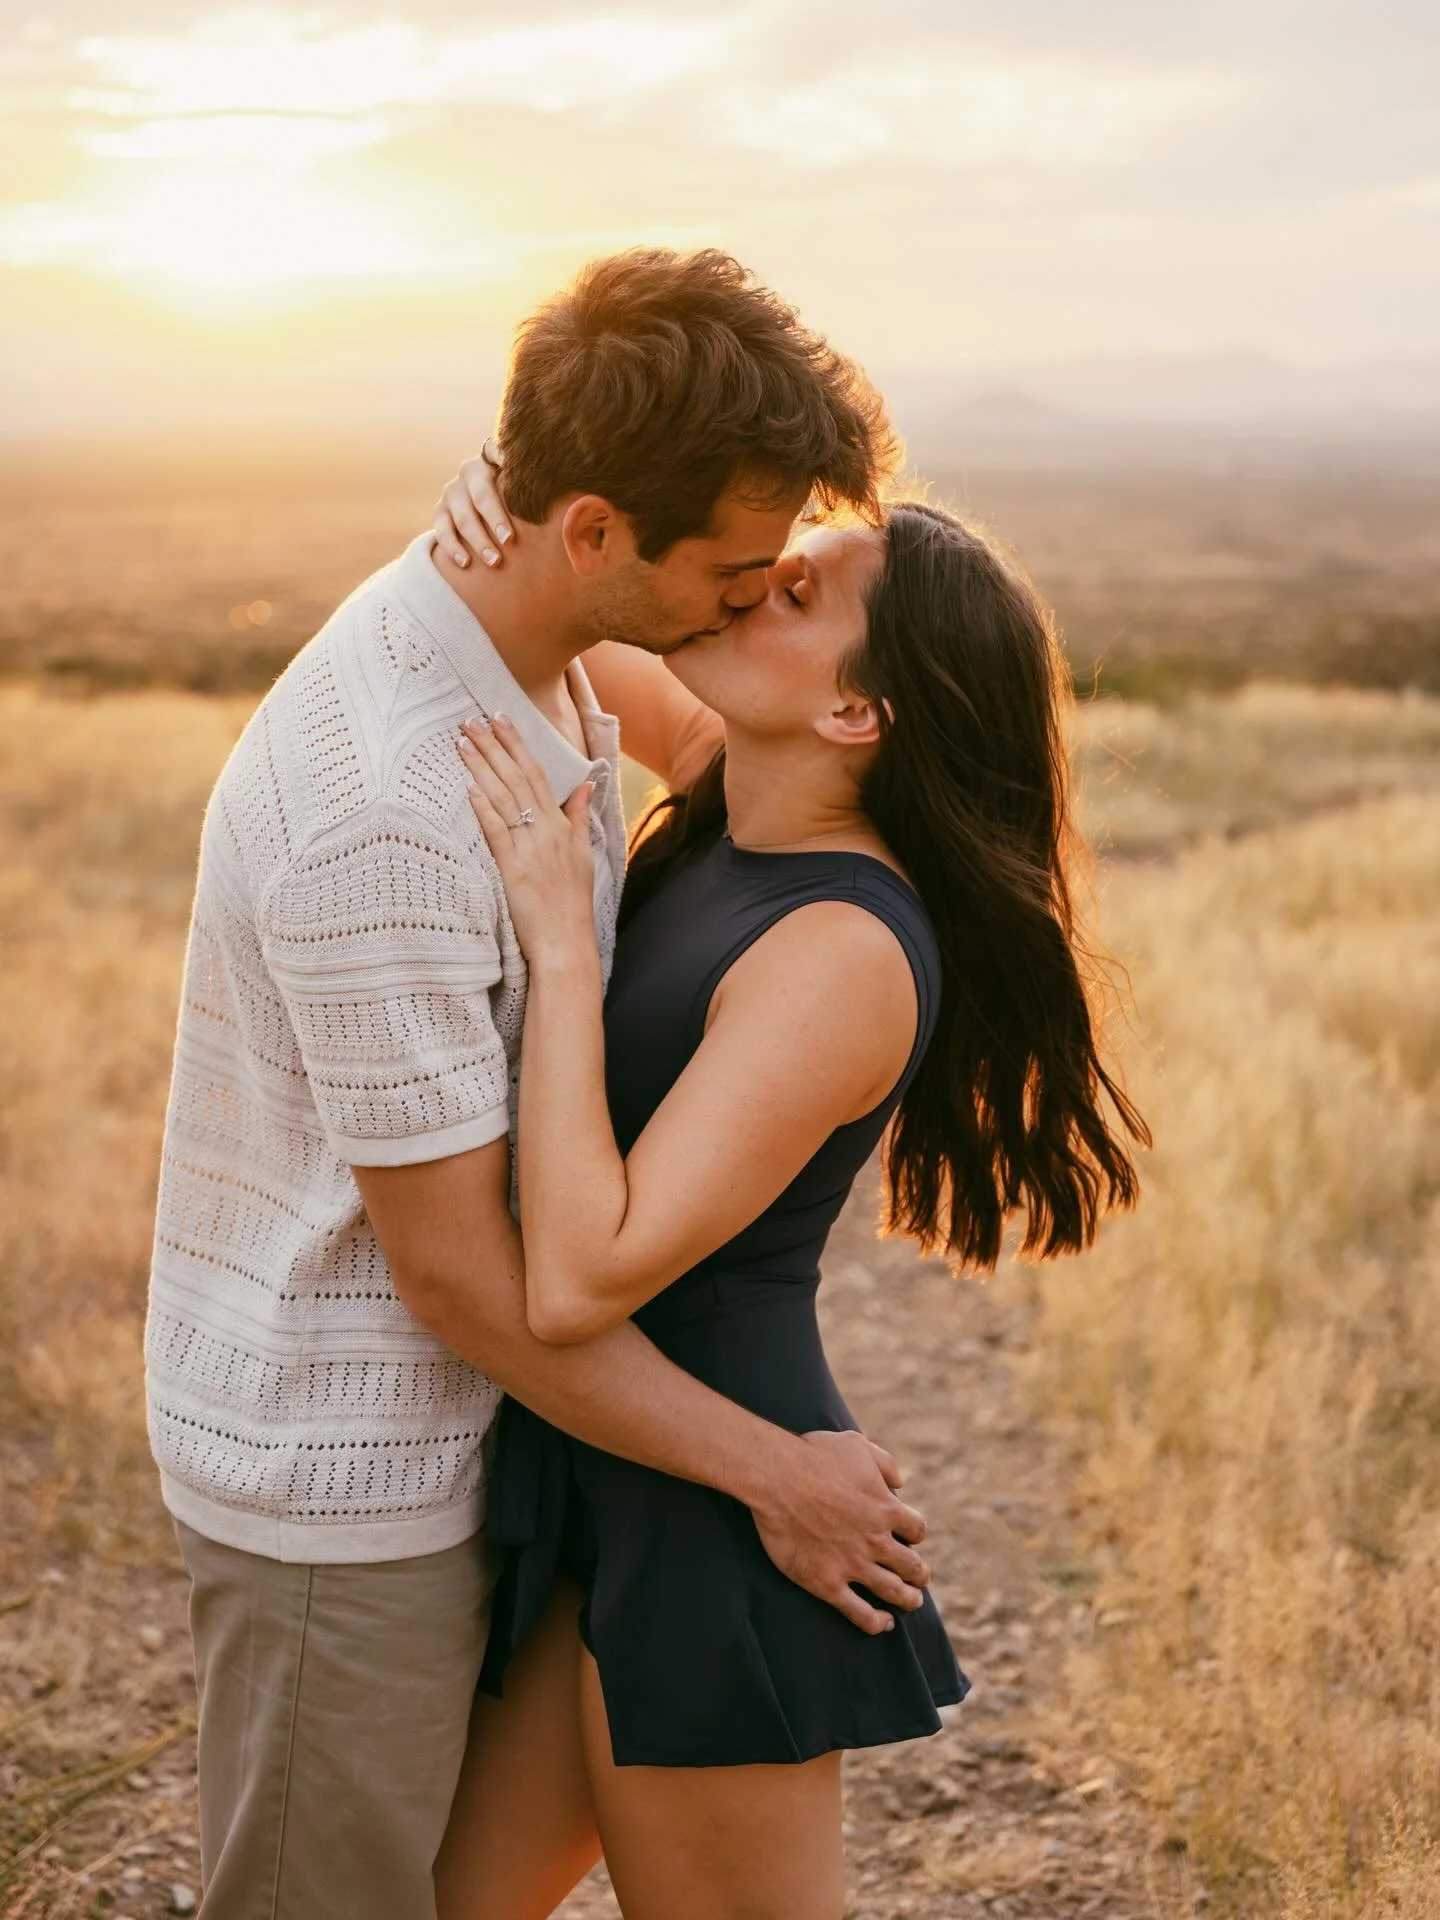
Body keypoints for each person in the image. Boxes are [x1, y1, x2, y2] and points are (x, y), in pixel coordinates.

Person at [146, 249, 936, 1920]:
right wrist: (769, 1468)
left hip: (512, 1459)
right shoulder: (392, 805)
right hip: (344, 1474)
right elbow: (470, 1283)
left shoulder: (548, 652)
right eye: (735, 571)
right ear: (594, 532)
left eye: (783, 579)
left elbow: (780, 777)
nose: (747, 598)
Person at [427, 458, 1150, 1918]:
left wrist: (564, 947)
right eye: (768, 561)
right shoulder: (734, 786)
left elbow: (578, 1274)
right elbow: (572, 600)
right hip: (609, 1477)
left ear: (856, 712)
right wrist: (489, 516)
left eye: (799, 590)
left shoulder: (842, 950)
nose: (752, 580)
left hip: (730, 1534)